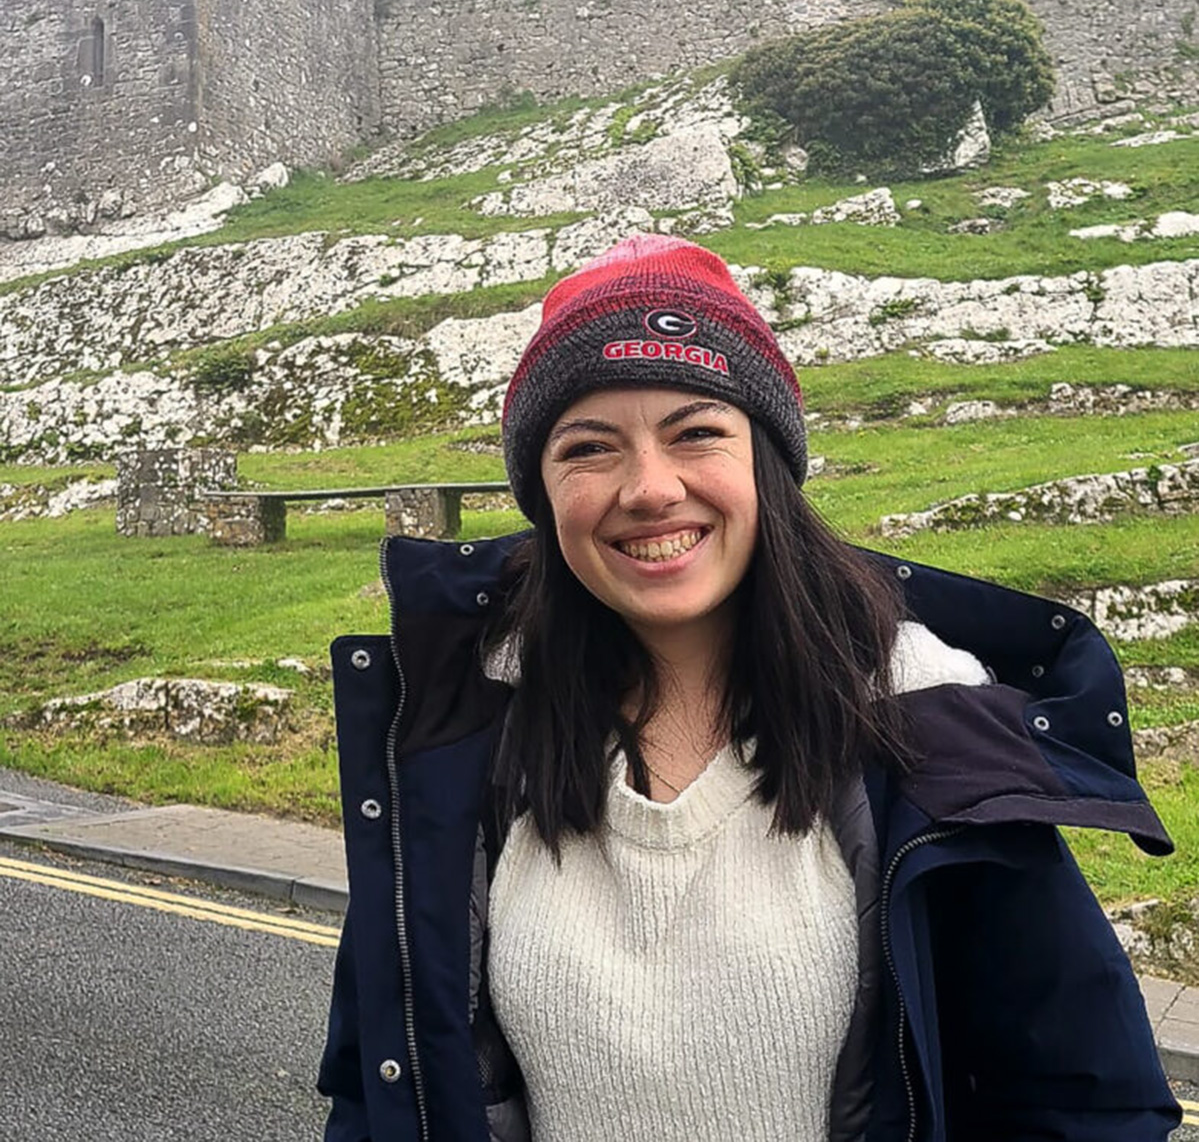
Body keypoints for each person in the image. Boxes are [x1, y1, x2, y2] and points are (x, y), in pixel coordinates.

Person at [318, 235, 1182, 1142]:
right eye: (588, 447)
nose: (649, 489)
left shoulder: (929, 727)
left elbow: (1083, 1103)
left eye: (696, 432)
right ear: (541, 490)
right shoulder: (455, 737)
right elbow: (378, 1089)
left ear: (768, 463)